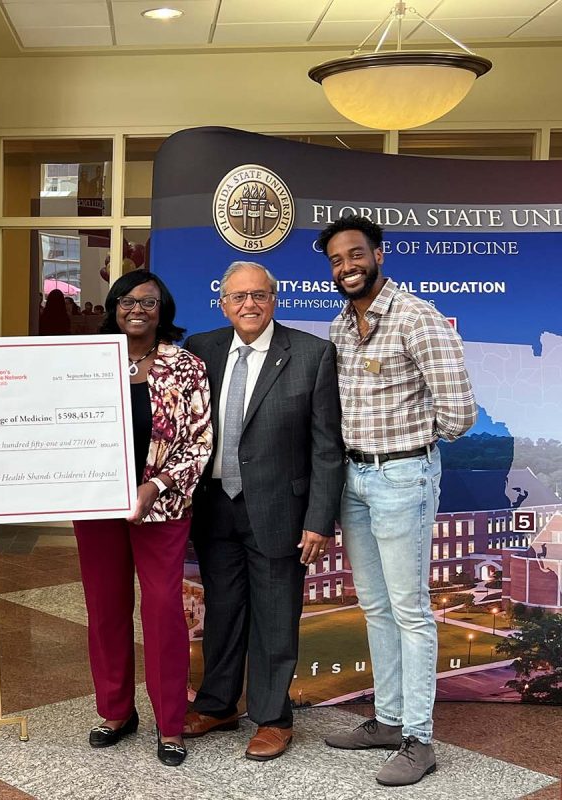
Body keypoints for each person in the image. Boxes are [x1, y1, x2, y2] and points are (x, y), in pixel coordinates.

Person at [318, 215, 476, 786]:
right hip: (353, 481)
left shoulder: (416, 317)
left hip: (403, 478)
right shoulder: (340, 325)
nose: (346, 267)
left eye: (355, 255)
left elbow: (459, 413)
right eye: (336, 261)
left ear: (378, 254)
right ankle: (386, 721)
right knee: (376, 606)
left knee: (410, 610)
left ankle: (419, 738)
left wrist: (412, 446)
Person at [183, 261, 344, 761]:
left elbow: (327, 447)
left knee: (275, 617)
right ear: (223, 303)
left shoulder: (312, 354)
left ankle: (272, 718)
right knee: (224, 612)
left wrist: (319, 519)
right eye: (238, 297)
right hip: (215, 509)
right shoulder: (201, 350)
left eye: (259, 295)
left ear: (274, 299)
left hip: (280, 511)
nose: (249, 304)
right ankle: (217, 704)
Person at [73, 270, 211, 767]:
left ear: (162, 311)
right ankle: (115, 713)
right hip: (95, 506)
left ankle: (170, 724)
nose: (138, 309)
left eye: (149, 302)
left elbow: (200, 443)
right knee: (105, 610)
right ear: (113, 306)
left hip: (163, 507)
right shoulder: (85, 364)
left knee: (162, 612)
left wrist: (154, 486)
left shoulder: (187, 367)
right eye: (128, 301)